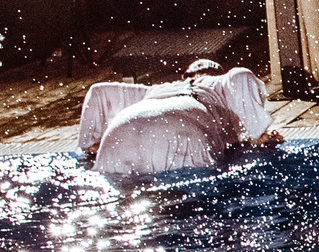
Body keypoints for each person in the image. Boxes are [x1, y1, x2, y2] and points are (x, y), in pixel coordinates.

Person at [81, 60, 281, 177]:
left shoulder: (153, 90)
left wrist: (92, 142)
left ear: (186, 75)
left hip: (120, 131)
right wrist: (258, 133)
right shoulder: (220, 83)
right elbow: (241, 75)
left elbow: (98, 91)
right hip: (181, 128)